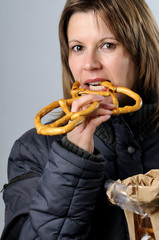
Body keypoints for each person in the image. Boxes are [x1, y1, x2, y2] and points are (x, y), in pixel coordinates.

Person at [1, 0, 159, 239]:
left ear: (141, 51)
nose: (89, 64)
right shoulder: (33, 150)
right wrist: (73, 161)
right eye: (77, 48)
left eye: (108, 45)